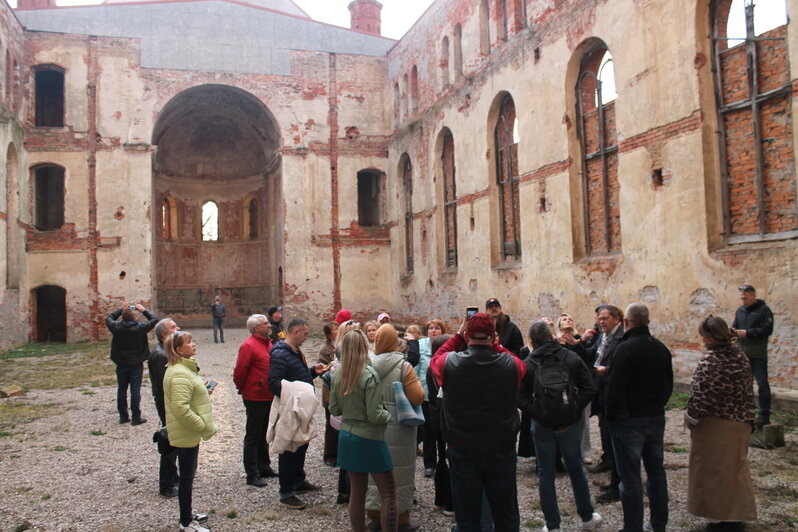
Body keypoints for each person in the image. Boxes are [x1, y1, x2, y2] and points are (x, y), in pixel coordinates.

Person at [430, 313, 527, 532]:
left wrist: (456, 337)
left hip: (462, 446)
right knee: (506, 514)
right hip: (500, 446)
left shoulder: (449, 363)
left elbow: (436, 359)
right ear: (494, 336)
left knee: (467, 518)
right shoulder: (509, 364)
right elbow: (520, 365)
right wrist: (497, 346)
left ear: (467, 335)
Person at [519, 320, 601, 532]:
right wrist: (572, 412)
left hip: (542, 425)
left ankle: (553, 525)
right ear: (551, 335)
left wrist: (541, 415)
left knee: (546, 473)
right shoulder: (571, 357)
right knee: (575, 468)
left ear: (532, 341)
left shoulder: (528, 364)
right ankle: (586, 517)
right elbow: (590, 388)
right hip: (570, 423)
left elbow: (519, 398)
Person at [605, 303, 672, 532]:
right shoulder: (661, 348)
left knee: (631, 478)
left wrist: (612, 418)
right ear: (648, 322)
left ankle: (632, 527)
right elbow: (668, 385)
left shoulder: (624, 349)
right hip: (654, 417)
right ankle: (659, 524)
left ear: (626, 322)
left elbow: (614, 389)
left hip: (628, 420)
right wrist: (656, 407)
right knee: (656, 472)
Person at [686, 316, 757, 531]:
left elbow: (703, 396)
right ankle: (737, 515)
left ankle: (726, 519)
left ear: (710, 338)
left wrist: (691, 417)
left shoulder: (711, 361)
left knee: (715, 472)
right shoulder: (740, 357)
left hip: (717, 424)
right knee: (736, 470)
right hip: (742, 421)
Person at [330, 329, 398, 532]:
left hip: (347, 435)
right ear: (363, 348)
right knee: (388, 492)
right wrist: (390, 416)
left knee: (357, 494)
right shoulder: (368, 374)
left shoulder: (337, 374)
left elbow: (334, 409)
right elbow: (376, 414)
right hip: (369, 438)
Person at [365, 324, 425, 531]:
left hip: (373, 425)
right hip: (399, 426)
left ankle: (374, 516)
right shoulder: (403, 366)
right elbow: (418, 396)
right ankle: (400, 520)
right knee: (399, 474)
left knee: (374, 475)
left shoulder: (368, 363)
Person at [268, 318, 326, 510]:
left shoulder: (294, 352)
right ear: (295, 332)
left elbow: (298, 378)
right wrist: (294, 400)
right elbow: (274, 382)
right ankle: (286, 492)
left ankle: (298, 481)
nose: (307, 337)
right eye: (305, 333)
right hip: (292, 409)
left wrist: (312, 372)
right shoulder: (279, 354)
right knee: (288, 449)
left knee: (301, 445)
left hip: (301, 409)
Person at [163, 331, 218, 532]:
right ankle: (186, 522)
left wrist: (203, 390)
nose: (194, 345)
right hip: (187, 432)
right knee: (186, 478)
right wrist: (201, 425)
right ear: (178, 350)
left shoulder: (183, 370)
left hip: (188, 432)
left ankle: (188, 514)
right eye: (189, 342)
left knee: (188, 476)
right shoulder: (179, 373)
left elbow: (187, 395)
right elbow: (181, 407)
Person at [233, 314, 277, 488]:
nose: (269, 325)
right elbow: (240, 371)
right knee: (253, 434)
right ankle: (252, 473)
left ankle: (264, 466)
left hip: (268, 395)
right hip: (255, 396)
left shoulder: (269, 344)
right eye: (265, 324)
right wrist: (244, 389)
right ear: (255, 328)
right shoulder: (248, 346)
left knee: (264, 433)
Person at [590, 304, 625, 504]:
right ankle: (612, 473)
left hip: (612, 393)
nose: (601, 322)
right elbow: (594, 354)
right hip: (602, 391)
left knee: (616, 440)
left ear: (616, 319)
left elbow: (623, 368)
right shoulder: (602, 336)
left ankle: (618, 485)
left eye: (605, 318)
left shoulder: (621, 339)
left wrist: (608, 371)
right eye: (599, 318)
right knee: (606, 433)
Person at [106, 303, 158, 425]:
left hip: (121, 362)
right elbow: (154, 319)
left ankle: (123, 416)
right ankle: (136, 417)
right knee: (135, 389)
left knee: (122, 389)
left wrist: (120, 309)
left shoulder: (116, 327)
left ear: (122, 317)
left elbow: (109, 318)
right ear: (134, 317)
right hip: (136, 361)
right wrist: (143, 310)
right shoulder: (140, 327)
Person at [732, 284, 774, 428]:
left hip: (757, 354)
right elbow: (735, 326)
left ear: (753, 295)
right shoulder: (740, 311)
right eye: (742, 297)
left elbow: (767, 329)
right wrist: (733, 332)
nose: (743, 300)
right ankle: (746, 411)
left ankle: (764, 414)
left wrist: (748, 333)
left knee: (762, 384)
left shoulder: (764, 310)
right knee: (743, 384)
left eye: (746, 297)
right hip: (742, 354)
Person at [148, 317, 180, 498]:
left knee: (174, 438)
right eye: (173, 327)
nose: (178, 328)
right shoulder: (161, 355)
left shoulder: (167, 352)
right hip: (168, 403)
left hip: (170, 402)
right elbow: (165, 385)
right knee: (169, 440)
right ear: (163, 335)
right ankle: (166, 484)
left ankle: (173, 476)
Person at [557, 313, 593, 464]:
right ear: (559, 325)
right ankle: (564, 452)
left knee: (584, 421)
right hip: (561, 387)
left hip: (580, 386)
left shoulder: (581, 341)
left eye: (570, 319)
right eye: (564, 319)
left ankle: (585, 452)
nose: (568, 321)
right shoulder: (554, 342)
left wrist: (579, 343)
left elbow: (587, 359)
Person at [426, 333, 454, 516]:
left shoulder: (430, 368)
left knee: (442, 458)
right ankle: (451, 503)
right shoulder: (447, 369)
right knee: (450, 461)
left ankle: (440, 499)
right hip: (447, 420)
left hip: (436, 418)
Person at [418, 319, 445, 478]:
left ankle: (443, 460)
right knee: (428, 431)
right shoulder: (421, 347)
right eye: (430, 328)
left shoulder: (446, 346)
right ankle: (429, 463)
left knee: (442, 431)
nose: (433, 331)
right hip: (426, 394)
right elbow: (416, 369)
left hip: (442, 397)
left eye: (436, 328)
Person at [318, 322, 340, 467]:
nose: (337, 331)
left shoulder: (344, 344)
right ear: (328, 334)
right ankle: (330, 455)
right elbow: (322, 370)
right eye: (334, 330)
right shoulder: (325, 350)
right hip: (331, 389)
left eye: (338, 328)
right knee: (331, 422)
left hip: (343, 389)